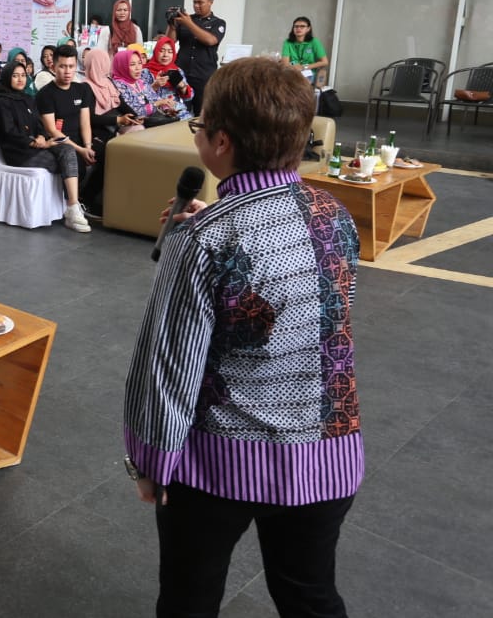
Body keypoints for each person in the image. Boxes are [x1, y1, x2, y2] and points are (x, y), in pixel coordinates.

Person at [123, 57, 362, 617]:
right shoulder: (336, 213)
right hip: (328, 455)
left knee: (189, 597)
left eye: (199, 125)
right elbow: (305, 303)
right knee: (310, 595)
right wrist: (227, 214)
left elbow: (168, 367)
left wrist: (151, 463)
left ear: (220, 142)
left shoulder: (205, 239)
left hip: (218, 464)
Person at [0, 61, 90, 233]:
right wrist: (33, 142)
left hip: (38, 146)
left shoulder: (28, 98)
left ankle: (72, 206)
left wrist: (42, 136)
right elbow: (8, 132)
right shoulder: (1, 101)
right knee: (66, 162)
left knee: (67, 150)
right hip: (19, 152)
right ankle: (72, 207)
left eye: (23, 75)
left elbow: (38, 124)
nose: (20, 79)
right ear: (7, 77)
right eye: (15, 76)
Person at [37, 45, 99, 224]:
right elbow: (52, 130)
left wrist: (88, 146)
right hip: (58, 142)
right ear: (54, 67)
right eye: (63, 66)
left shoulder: (82, 90)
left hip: (81, 140)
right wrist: (81, 150)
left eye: (71, 66)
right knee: (74, 157)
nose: (67, 71)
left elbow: (85, 122)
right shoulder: (46, 94)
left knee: (106, 151)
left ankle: (88, 201)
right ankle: (73, 206)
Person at [166, 0, 226, 115]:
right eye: (194, 2)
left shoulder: (218, 23)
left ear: (211, 2)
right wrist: (172, 25)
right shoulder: (186, 19)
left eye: (200, 2)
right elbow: (169, 42)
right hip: (182, 73)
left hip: (203, 75)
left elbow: (210, 40)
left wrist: (188, 23)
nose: (196, 5)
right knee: (179, 111)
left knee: (202, 113)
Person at [113, 49, 182, 127]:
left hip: (152, 122)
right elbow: (135, 113)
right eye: (132, 64)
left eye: (139, 63)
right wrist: (158, 103)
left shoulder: (140, 82)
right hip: (136, 126)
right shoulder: (118, 86)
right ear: (122, 66)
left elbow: (155, 98)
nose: (138, 68)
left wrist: (167, 109)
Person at [142, 37, 195, 119]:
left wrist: (182, 86)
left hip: (177, 109)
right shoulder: (145, 72)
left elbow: (189, 97)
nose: (165, 55)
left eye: (170, 52)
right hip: (156, 112)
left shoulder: (177, 70)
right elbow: (140, 97)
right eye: (161, 51)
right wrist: (155, 86)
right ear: (156, 52)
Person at [281, 16, 329, 83]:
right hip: (292, 72)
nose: (298, 29)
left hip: (309, 73)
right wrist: (294, 68)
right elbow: (285, 63)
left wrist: (304, 67)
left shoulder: (314, 42)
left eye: (302, 26)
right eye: (296, 26)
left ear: (308, 29)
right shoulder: (288, 42)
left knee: (300, 83)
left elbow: (325, 62)